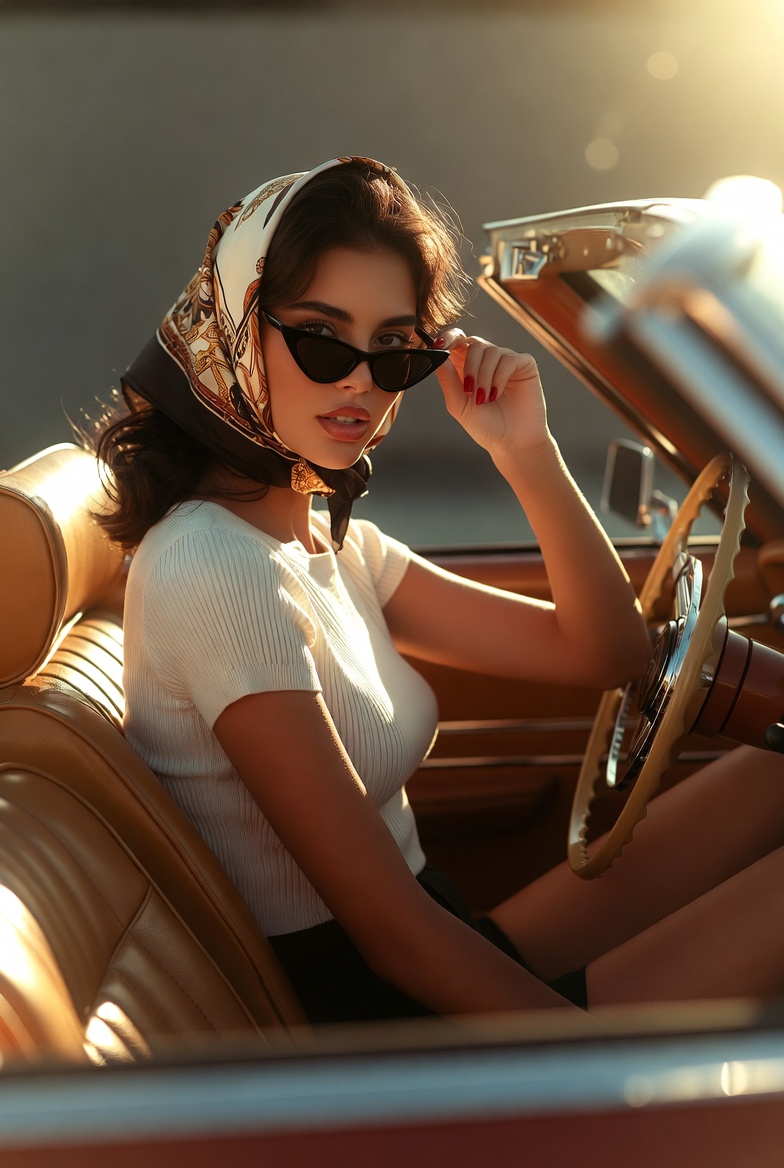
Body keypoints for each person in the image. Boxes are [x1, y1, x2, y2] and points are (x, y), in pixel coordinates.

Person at [88, 156, 784, 1023]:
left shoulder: (325, 534)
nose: (358, 381)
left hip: (442, 937)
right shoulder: (211, 568)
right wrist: (600, 1081)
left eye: (393, 350)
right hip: (391, 1029)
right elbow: (394, 940)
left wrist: (525, 451)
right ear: (235, 331)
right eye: (319, 337)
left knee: (774, 775)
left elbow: (611, 654)